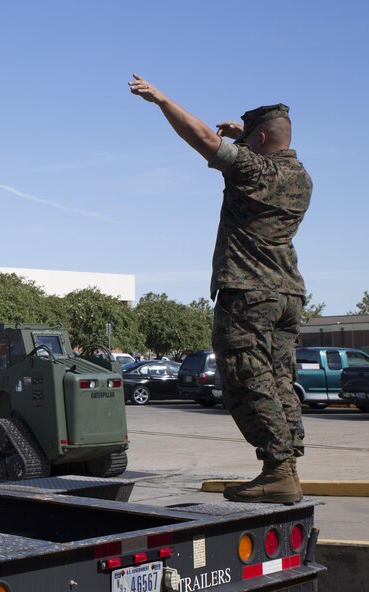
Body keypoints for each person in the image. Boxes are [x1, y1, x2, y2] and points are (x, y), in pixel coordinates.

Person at [129, 74, 311, 504]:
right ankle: (286, 466)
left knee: (245, 380)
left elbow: (203, 140)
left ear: (259, 137)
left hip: (248, 293)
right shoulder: (300, 176)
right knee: (280, 379)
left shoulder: (252, 169)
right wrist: (246, 139)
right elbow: (251, 155)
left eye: (249, 137)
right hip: (287, 294)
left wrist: (162, 100)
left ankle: (278, 470)